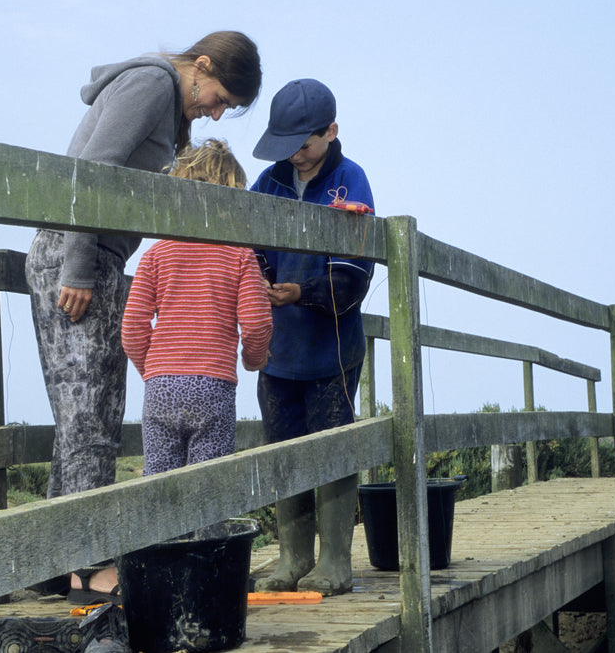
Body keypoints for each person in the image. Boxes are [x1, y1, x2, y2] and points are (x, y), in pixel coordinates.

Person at [25, 32, 262, 603]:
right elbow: (91, 170)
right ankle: (88, 567)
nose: (217, 111)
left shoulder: (162, 95)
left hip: (92, 255)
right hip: (77, 256)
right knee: (92, 420)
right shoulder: (154, 83)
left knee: (88, 416)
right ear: (200, 66)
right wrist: (79, 266)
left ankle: (58, 563)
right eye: (221, 97)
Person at [249, 79, 375, 597]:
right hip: (278, 352)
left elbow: (353, 279)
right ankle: (292, 556)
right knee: (282, 452)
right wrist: (253, 282)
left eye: (304, 144)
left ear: (331, 132)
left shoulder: (352, 180)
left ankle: (336, 560)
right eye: (288, 146)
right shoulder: (267, 182)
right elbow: (249, 252)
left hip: (332, 352)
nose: (296, 156)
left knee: (332, 451)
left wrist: (298, 292)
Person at [121, 139, 272, 475]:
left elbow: (132, 329)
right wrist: (253, 360)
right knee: (208, 485)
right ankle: (206, 530)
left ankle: (165, 531)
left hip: (160, 385)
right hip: (213, 385)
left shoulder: (155, 255)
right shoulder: (239, 255)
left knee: (159, 484)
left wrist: (157, 369)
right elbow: (257, 324)